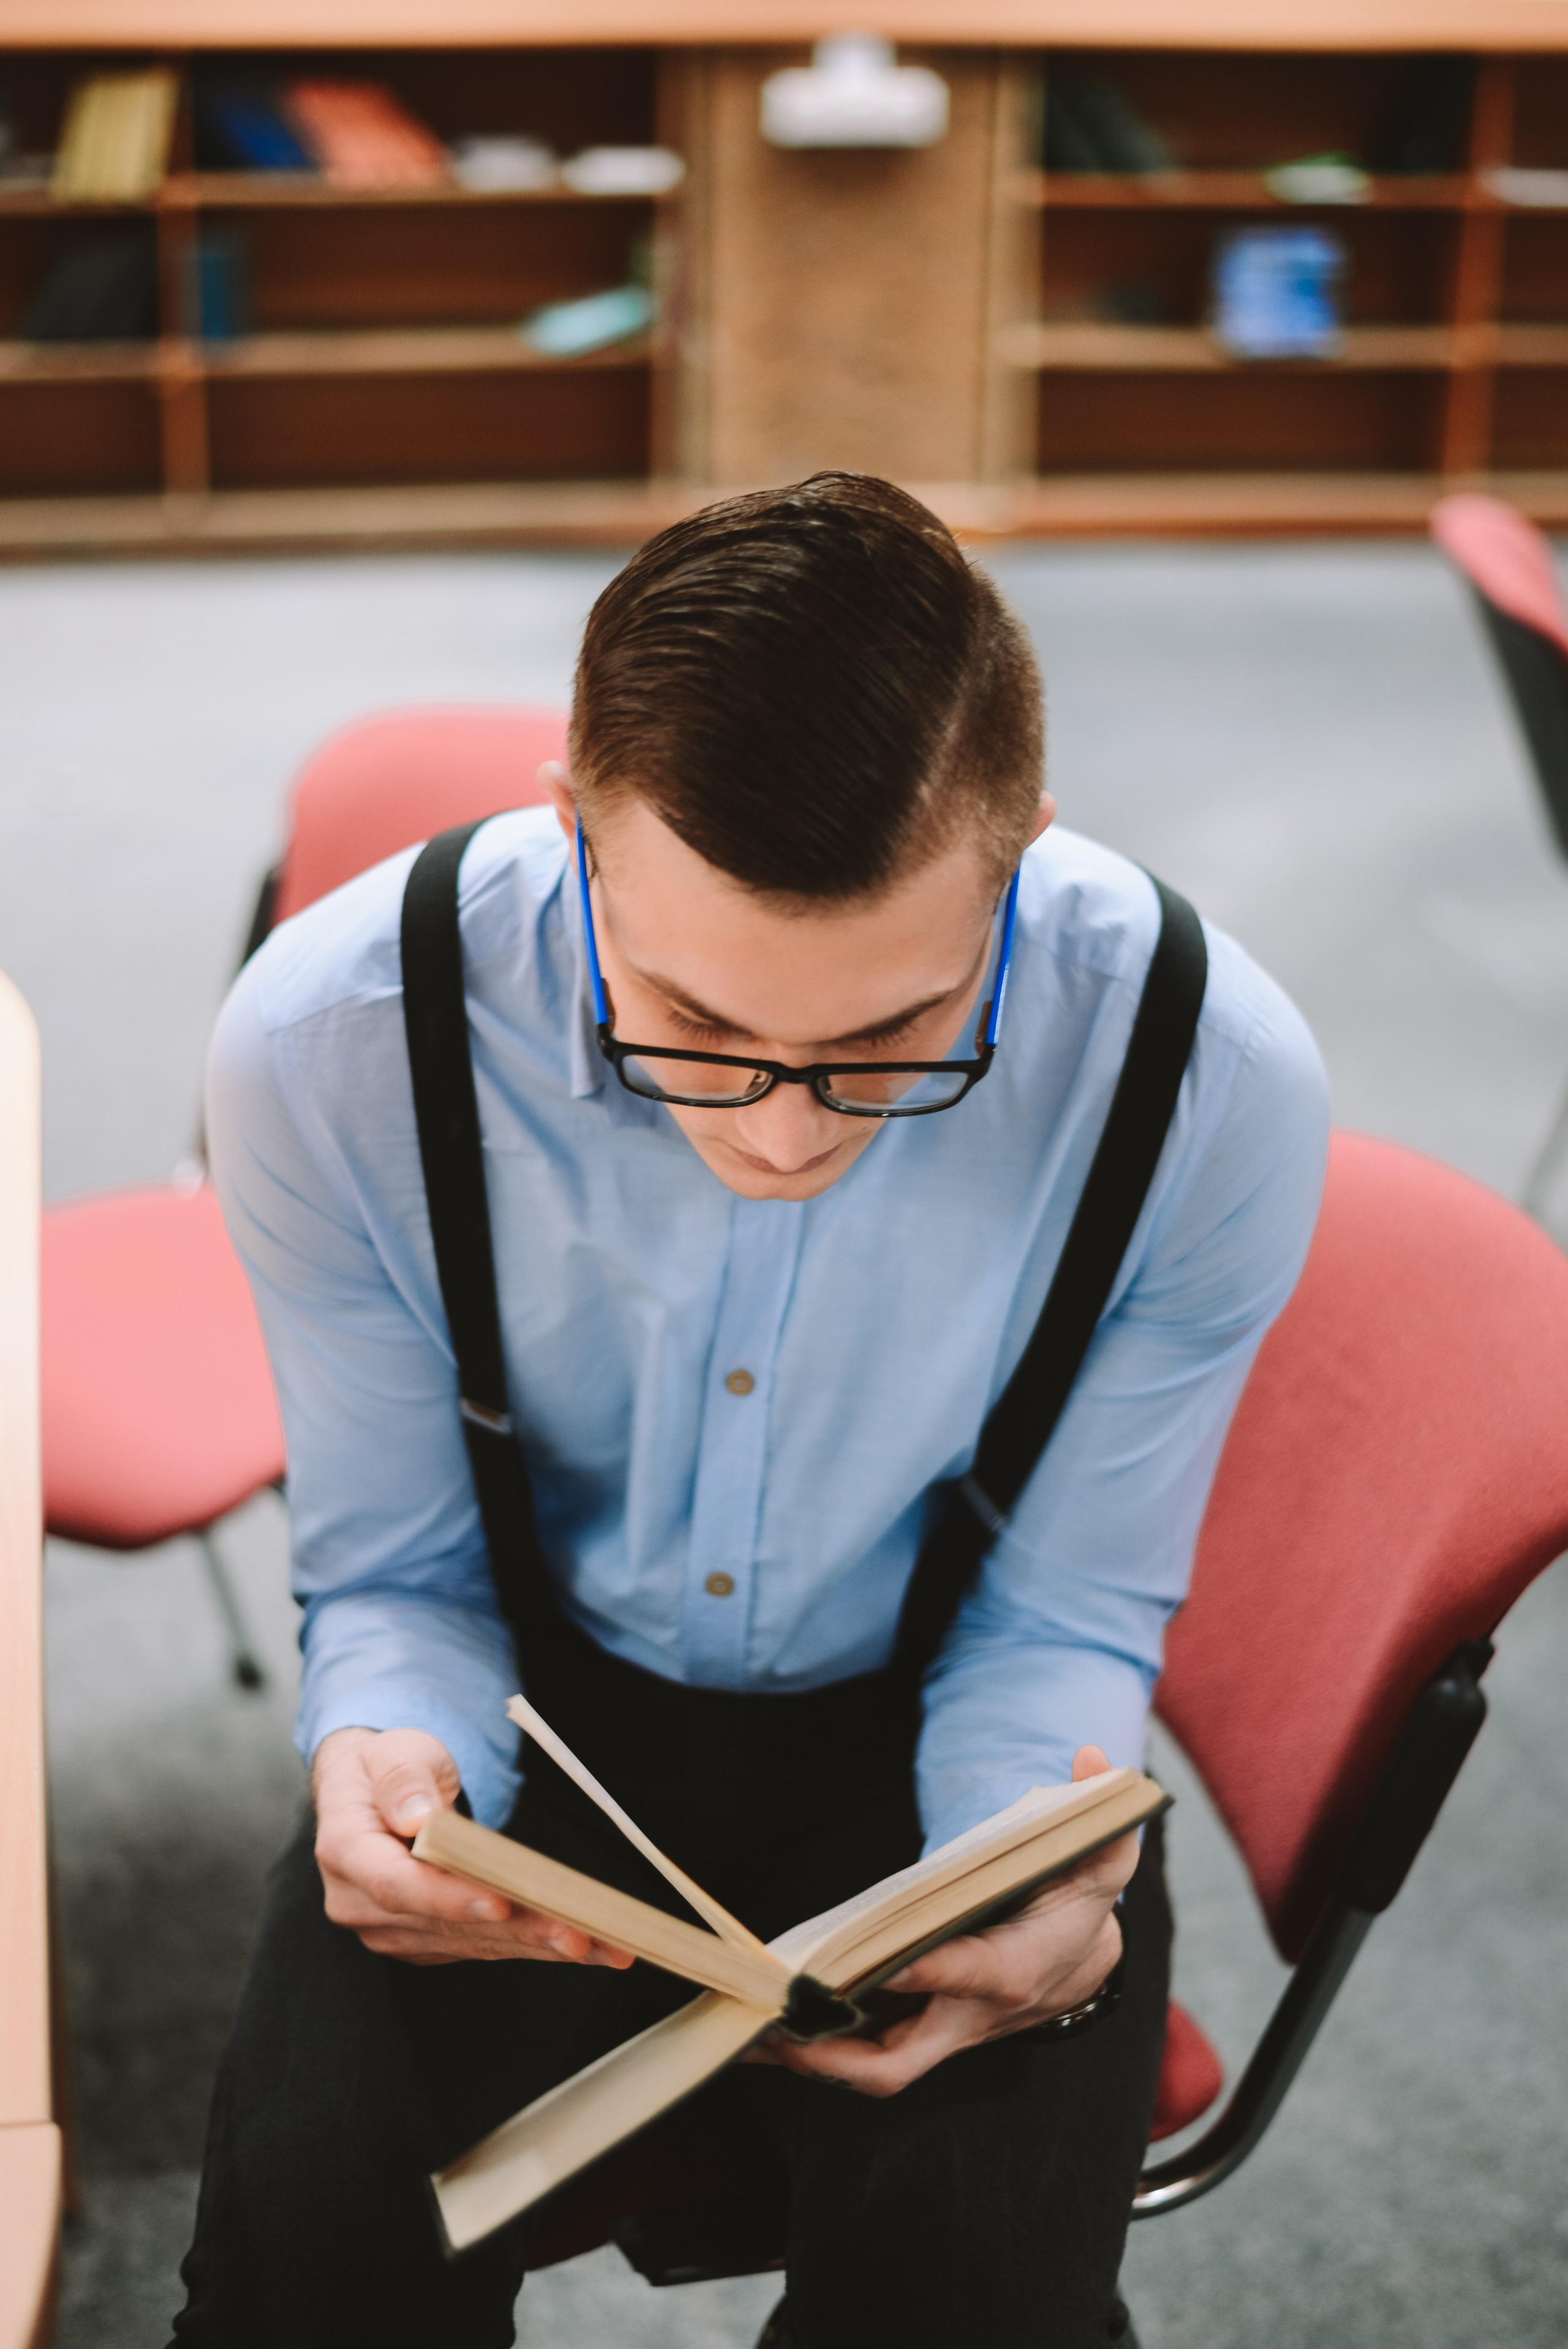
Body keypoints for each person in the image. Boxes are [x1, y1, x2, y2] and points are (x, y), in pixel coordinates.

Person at [170, 473, 1327, 2349]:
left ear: (1023, 847)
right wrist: (386, 1735)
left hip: (940, 1712)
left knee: (976, 2308)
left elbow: (1067, 1606)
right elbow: (394, 1562)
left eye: (893, 1039)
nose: (781, 1131)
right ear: (576, 835)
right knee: (300, 2271)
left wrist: (1028, 1873)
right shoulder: (330, 1041)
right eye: (691, 1022)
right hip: (537, 1715)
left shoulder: (1208, 1075)